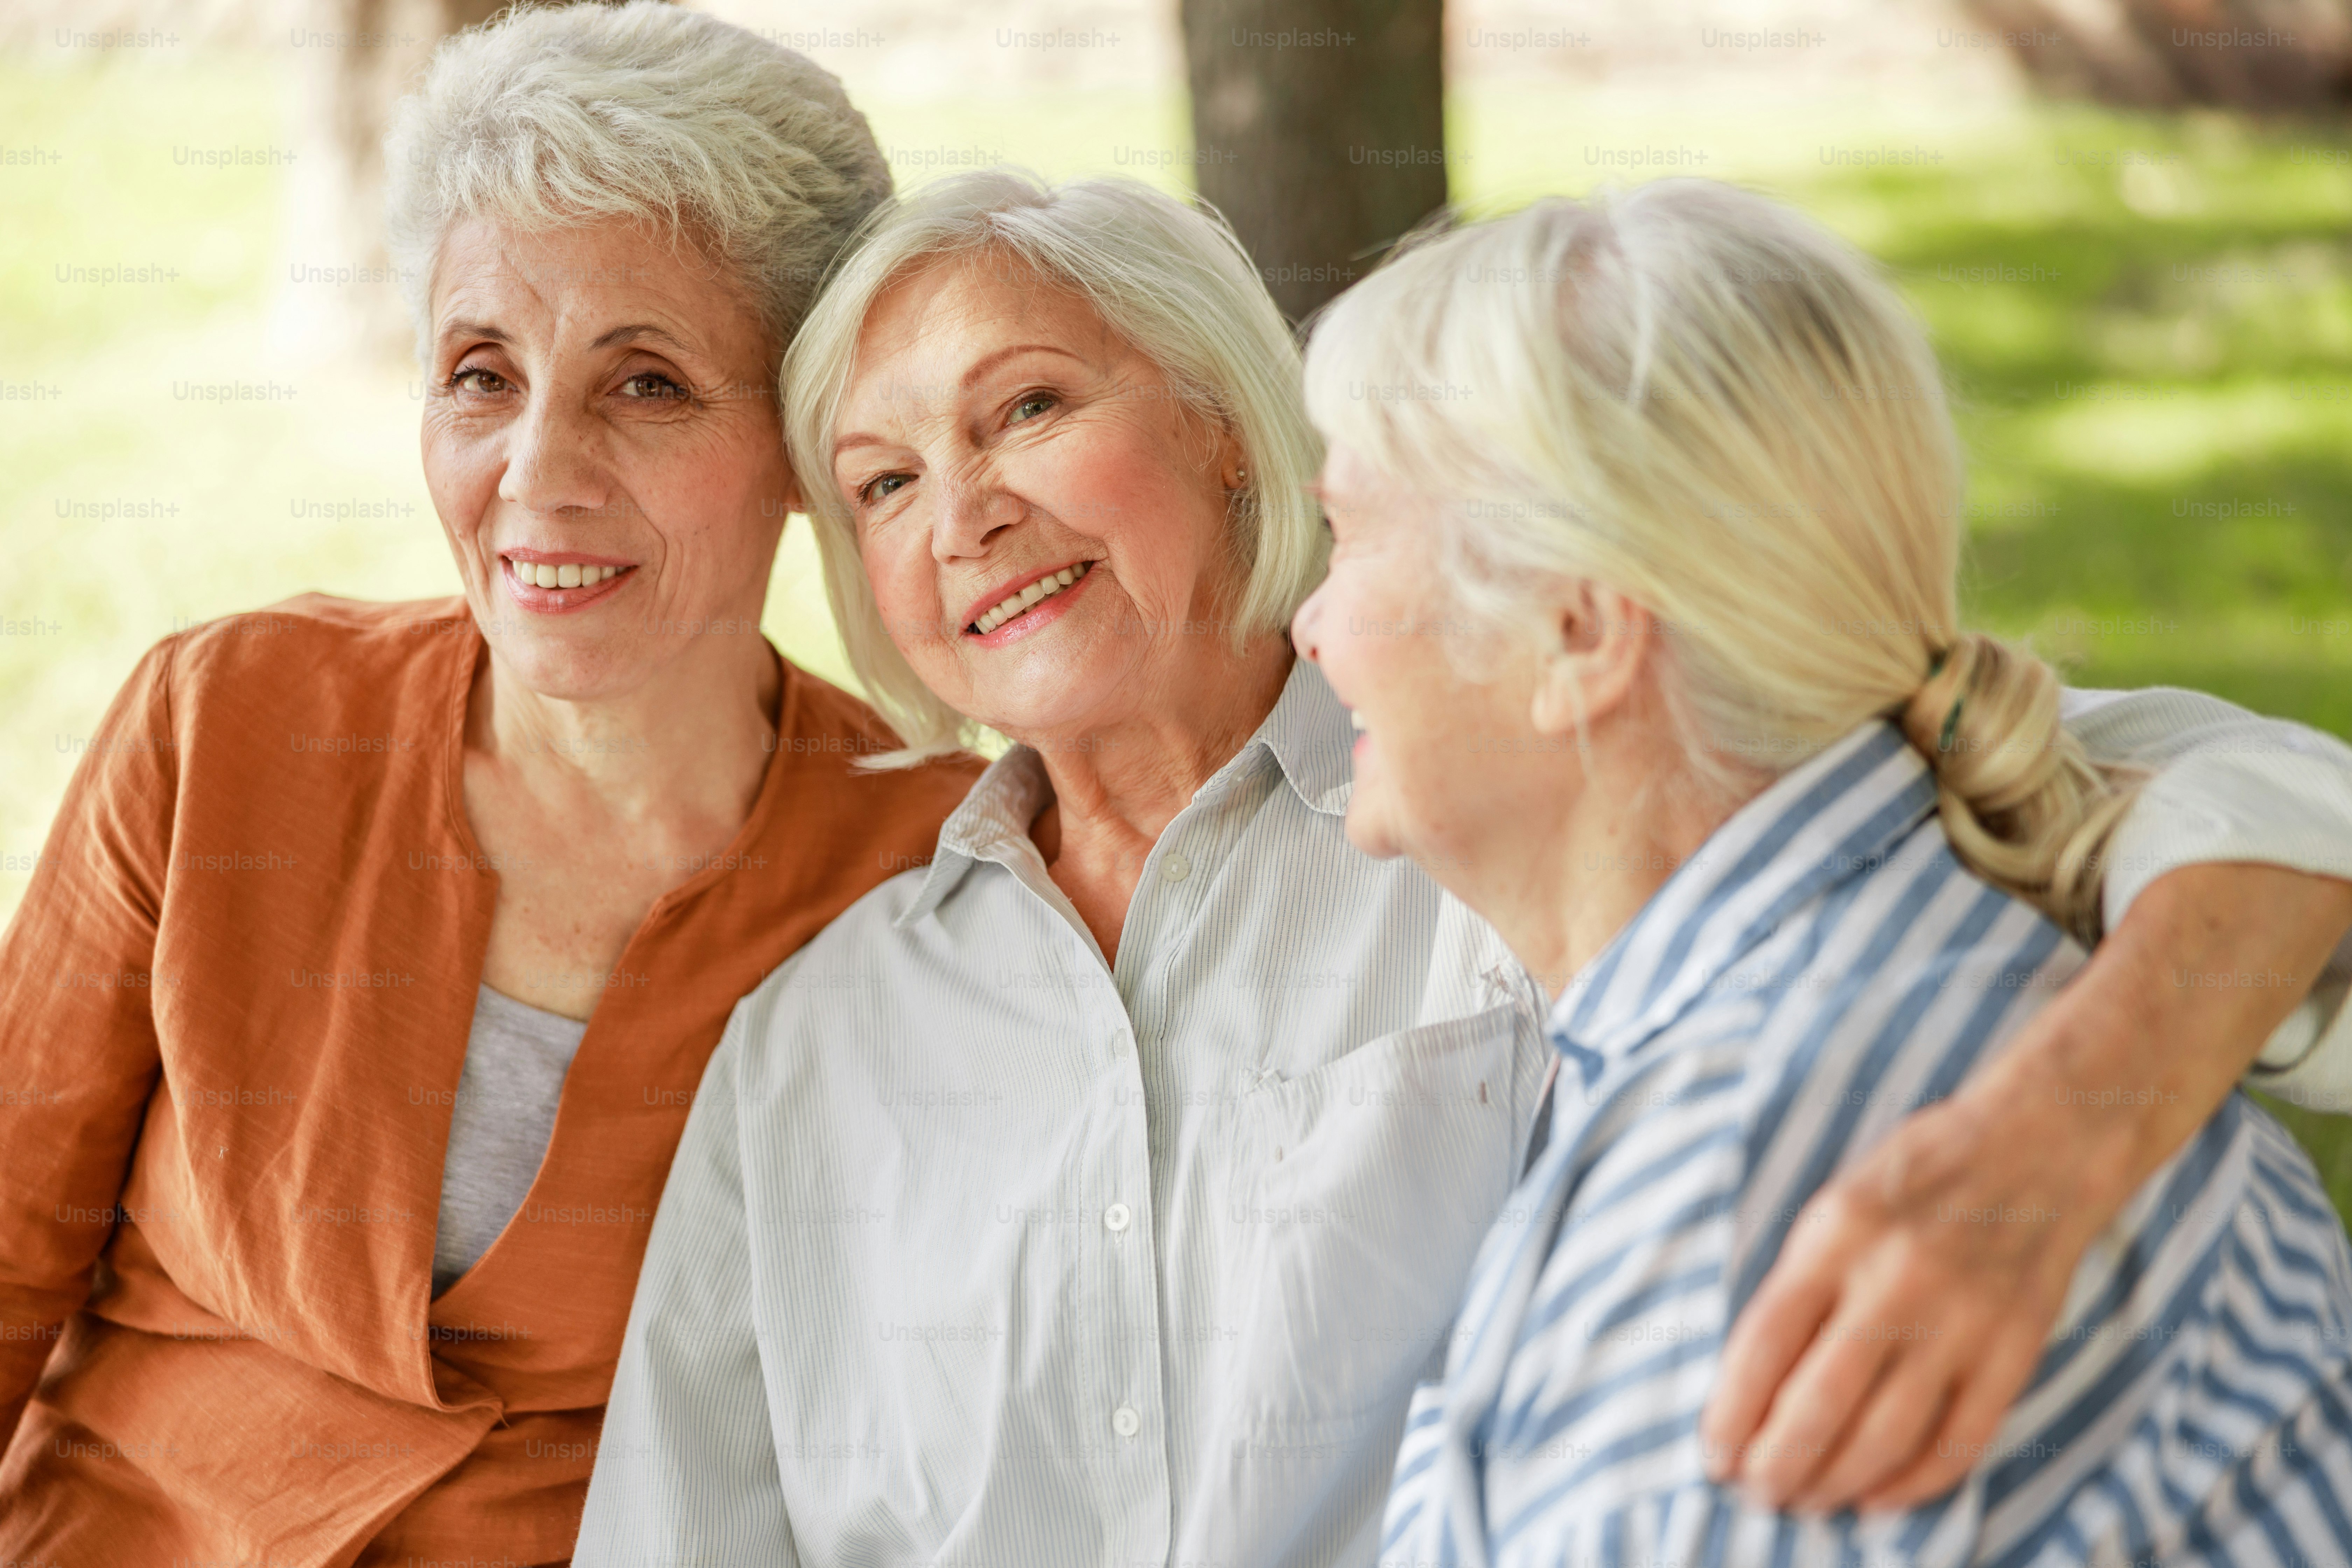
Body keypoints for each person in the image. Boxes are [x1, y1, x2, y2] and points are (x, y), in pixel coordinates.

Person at [578, 168, 2352, 1567]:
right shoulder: (811, 1046)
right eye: (880, 485)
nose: (957, 513)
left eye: (1025, 410)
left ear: (1223, 426)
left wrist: (2060, 1127)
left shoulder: (1537, 791)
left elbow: (2166, 775)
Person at [0, 8, 978, 1564]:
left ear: (808, 431)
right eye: (479, 374)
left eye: (646, 383)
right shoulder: (224, 722)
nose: (536, 467)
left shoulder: (932, 875)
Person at [1288, 178, 2352, 1566]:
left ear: (1578, 634)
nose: (1310, 622)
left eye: (1348, 534)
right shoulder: (1931, 910)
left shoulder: (1757, 1206)